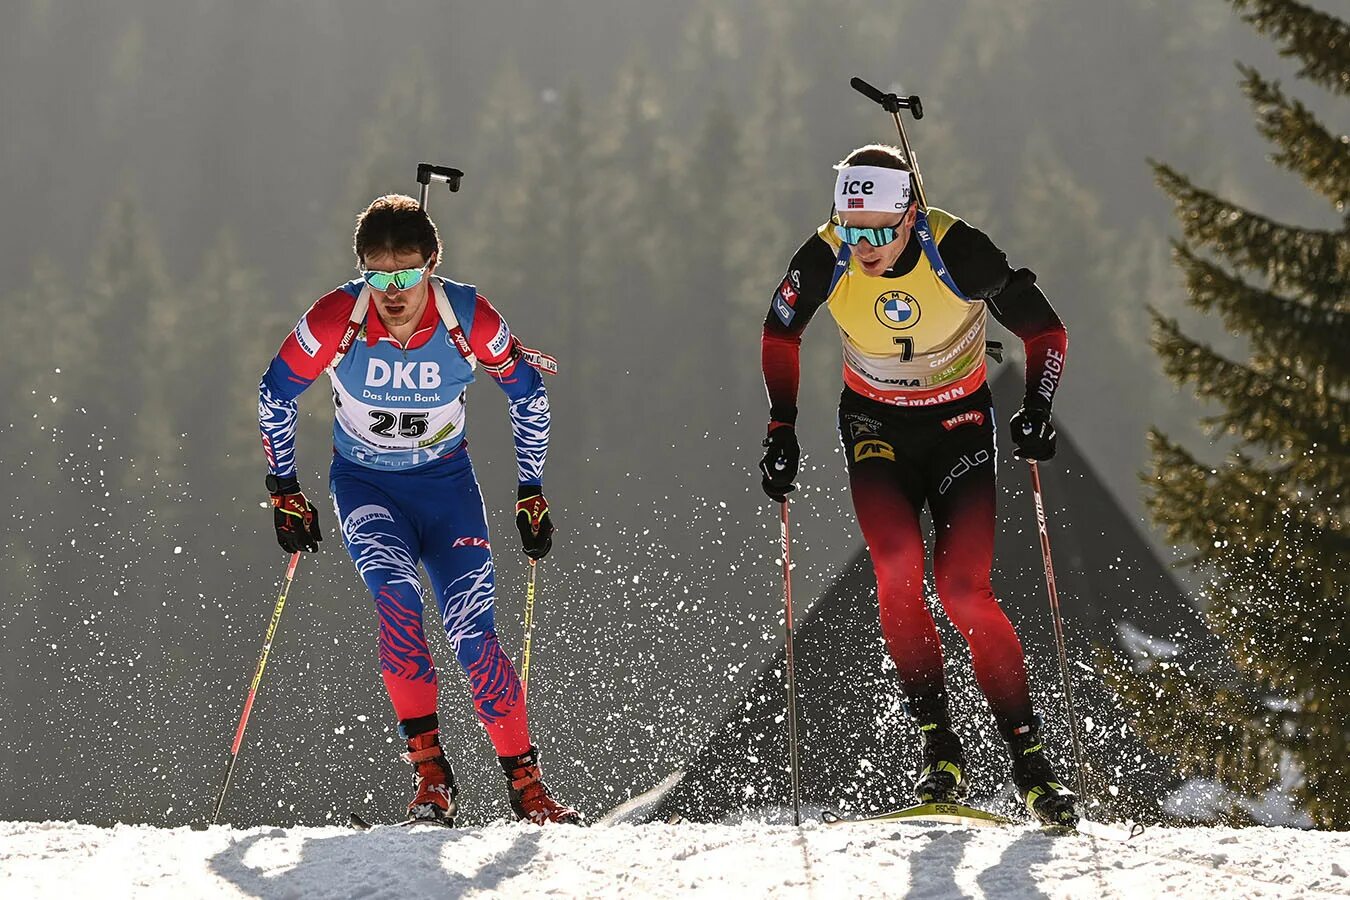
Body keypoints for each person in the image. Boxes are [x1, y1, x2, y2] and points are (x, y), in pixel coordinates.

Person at [758, 144, 1076, 825]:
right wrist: (782, 427)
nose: (864, 245)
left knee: (964, 590)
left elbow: (1046, 330)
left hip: (959, 425)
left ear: (910, 215)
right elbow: (779, 335)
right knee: (897, 565)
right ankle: (940, 750)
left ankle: (1032, 764)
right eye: (852, 228)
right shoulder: (825, 254)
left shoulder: (959, 250)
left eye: (877, 229)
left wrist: (1038, 409)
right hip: (874, 425)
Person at [258, 193, 580, 825]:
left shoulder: (468, 317)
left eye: (406, 275)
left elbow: (529, 395)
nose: (393, 291)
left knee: (472, 634)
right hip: (366, 486)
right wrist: (284, 487)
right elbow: (277, 389)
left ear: (432, 263)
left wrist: (530, 490)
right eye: (377, 276)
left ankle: (527, 788)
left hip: (447, 491)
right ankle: (432, 779)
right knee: (398, 601)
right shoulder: (335, 319)